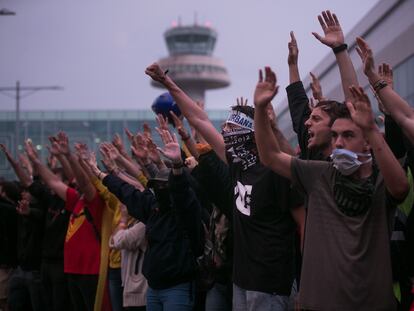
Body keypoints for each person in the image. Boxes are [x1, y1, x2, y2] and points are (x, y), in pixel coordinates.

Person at [146, 63, 304, 311]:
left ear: (250, 134)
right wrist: (168, 82)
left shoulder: (278, 170)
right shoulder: (238, 164)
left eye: (232, 128)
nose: (224, 131)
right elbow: (198, 119)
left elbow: (303, 226)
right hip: (240, 280)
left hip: (271, 284)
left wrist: (306, 280)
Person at [253, 65, 408, 310]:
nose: (338, 143)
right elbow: (270, 156)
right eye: (335, 136)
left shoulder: (381, 181)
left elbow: (400, 188)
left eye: (348, 135)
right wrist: (260, 110)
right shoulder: (317, 173)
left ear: (368, 142)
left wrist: (369, 127)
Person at [99, 130, 203, 311]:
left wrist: (177, 164)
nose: (159, 189)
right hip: (153, 288)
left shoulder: (186, 211)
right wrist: (101, 174)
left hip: (177, 287)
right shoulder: (153, 208)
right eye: (157, 186)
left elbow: (181, 192)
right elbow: (128, 192)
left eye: (164, 186)